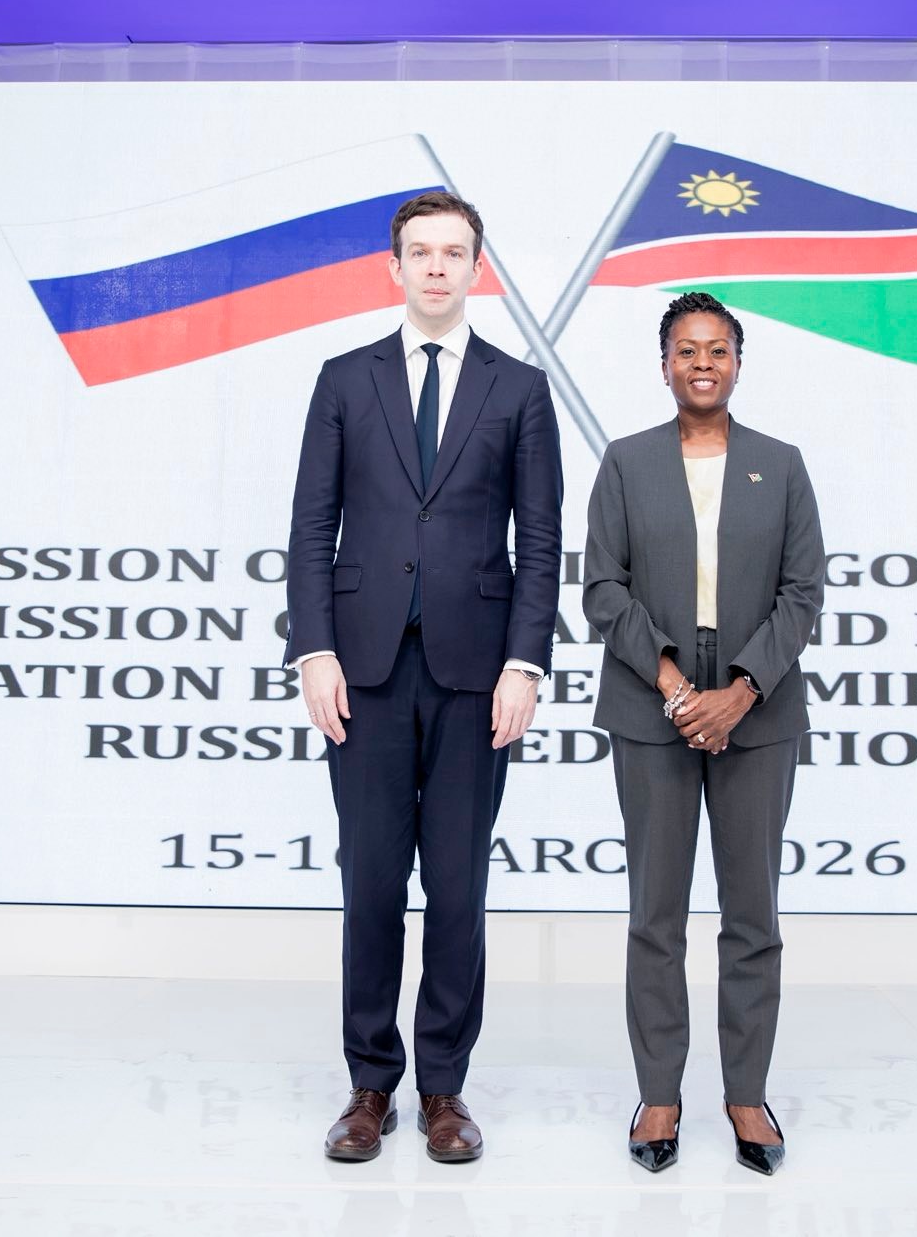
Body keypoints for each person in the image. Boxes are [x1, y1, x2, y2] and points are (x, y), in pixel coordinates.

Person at [285, 191, 562, 1163]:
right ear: (393, 267)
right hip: (360, 671)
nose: (437, 266)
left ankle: (444, 1087)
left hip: (475, 674)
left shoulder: (519, 389)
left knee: (455, 885)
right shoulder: (343, 379)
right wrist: (314, 649)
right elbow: (311, 526)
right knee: (369, 882)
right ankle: (370, 1085)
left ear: (478, 269)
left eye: (454, 252)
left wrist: (524, 661)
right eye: (421, 251)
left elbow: (540, 541)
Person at [582, 291, 824, 1175]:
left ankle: (745, 1093)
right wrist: (679, 688)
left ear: (737, 363)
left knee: (752, 913)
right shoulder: (626, 462)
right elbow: (602, 587)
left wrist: (742, 692)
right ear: (664, 366)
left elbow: (803, 592)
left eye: (717, 349)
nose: (702, 364)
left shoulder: (781, 465)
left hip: (760, 711)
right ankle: (660, 1092)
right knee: (656, 913)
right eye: (686, 350)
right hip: (653, 707)